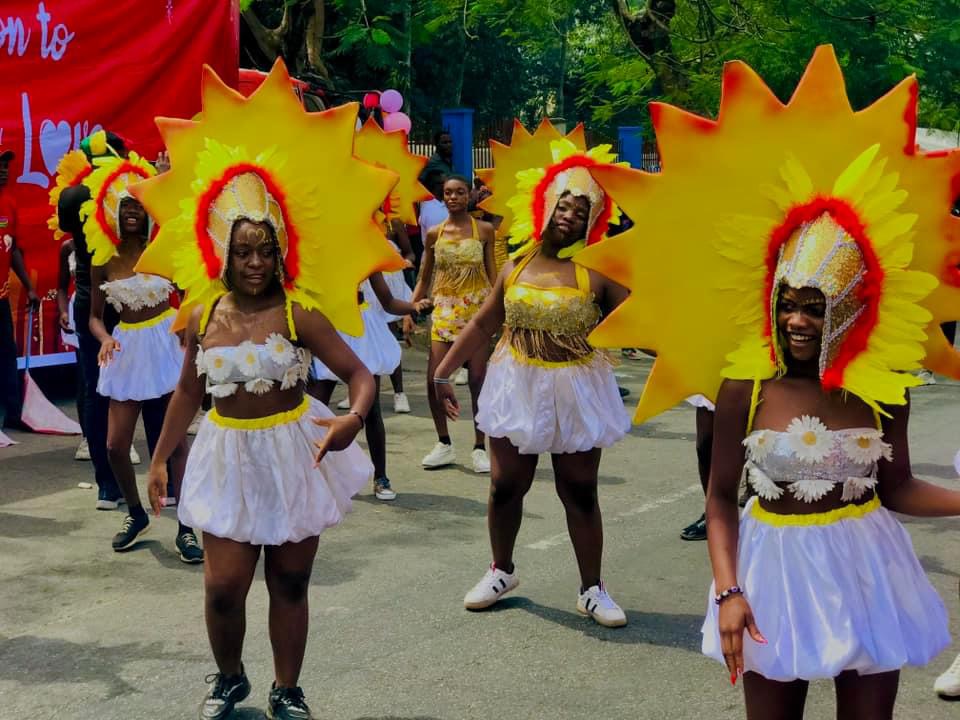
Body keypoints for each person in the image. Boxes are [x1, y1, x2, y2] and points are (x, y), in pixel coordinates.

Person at [133, 63, 404, 720]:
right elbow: (187, 393)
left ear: (283, 247)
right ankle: (230, 678)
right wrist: (163, 457)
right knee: (224, 587)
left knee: (289, 579)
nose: (256, 262)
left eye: (265, 249)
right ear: (220, 250)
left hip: (294, 449)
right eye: (244, 250)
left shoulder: (298, 312)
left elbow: (360, 373)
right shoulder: (203, 314)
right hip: (227, 453)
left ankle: (288, 689)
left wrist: (353, 417)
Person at [435, 139, 633, 626]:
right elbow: (483, 324)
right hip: (516, 382)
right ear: (545, 205)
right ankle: (501, 570)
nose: (569, 215)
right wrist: (443, 372)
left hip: (577, 388)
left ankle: (593, 589)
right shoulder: (515, 265)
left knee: (580, 490)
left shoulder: (600, 272)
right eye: (563, 204)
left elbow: (640, 324)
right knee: (506, 486)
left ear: (594, 219)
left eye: (581, 210)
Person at [80, 151, 197, 559]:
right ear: (111, 210)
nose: (131, 212)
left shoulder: (163, 244)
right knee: (115, 445)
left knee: (175, 444)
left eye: (137, 205)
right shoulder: (104, 262)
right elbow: (95, 317)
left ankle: (186, 527)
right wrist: (105, 339)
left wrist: (185, 331)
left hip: (164, 342)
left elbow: (189, 288)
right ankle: (136, 512)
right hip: (127, 346)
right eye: (124, 206)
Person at [311, 272, 430, 500]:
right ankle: (310, 476)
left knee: (370, 409)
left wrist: (414, 307)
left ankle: (381, 477)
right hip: (327, 326)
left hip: (361, 329)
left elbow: (388, 302)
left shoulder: (365, 252)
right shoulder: (315, 249)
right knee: (314, 409)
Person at [57, 131, 128, 508]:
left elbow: (67, 232)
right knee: (141, 386)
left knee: (96, 385)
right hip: (130, 296)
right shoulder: (132, 189)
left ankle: (107, 484)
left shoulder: (71, 196)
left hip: (89, 298)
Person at [413, 174, 496, 472]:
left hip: (475, 314)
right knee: (435, 378)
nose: (453, 197)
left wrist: (500, 313)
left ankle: (479, 446)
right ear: (443, 196)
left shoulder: (484, 230)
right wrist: (411, 309)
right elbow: (425, 276)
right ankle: (444, 443)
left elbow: (492, 275)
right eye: (448, 193)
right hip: (445, 312)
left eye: (460, 192)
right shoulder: (434, 233)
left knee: (477, 380)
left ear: (469, 196)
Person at [0, 145, 41, 431]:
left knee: (6, 352)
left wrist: (29, 287)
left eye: (6, 165)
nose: (4, 170)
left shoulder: (10, 202)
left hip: (0, 297)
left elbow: (13, 249)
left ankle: (13, 414)